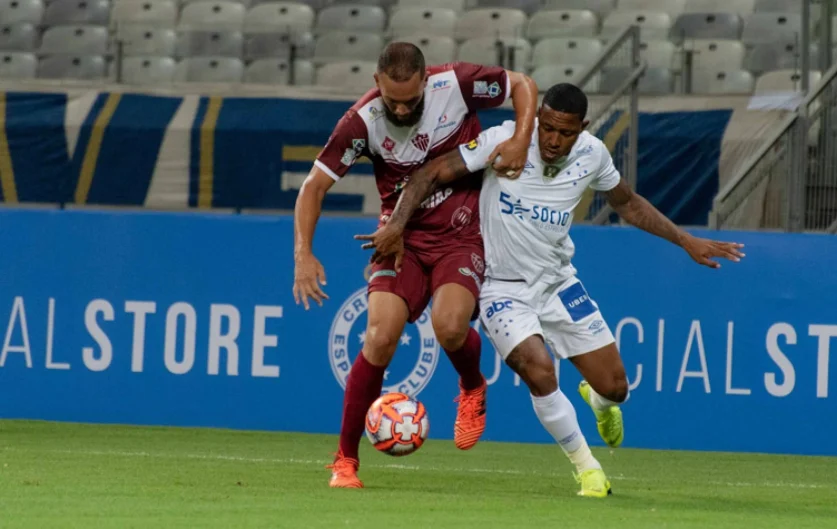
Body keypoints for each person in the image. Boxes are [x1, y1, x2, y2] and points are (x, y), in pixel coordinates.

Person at [356, 83, 745, 497]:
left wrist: (686, 241)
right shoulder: (503, 141)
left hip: (559, 283)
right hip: (501, 288)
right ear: (538, 118)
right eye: (548, 128)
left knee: (615, 388)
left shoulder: (593, 153)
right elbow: (431, 172)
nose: (554, 140)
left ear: (584, 128)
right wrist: (396, 224)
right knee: (539, 370)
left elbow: (627, 202)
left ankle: (598, 403)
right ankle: (588, 469)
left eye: (566, 132)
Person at [292, 42, 539, 489]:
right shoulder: (361, 122)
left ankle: (471, 385)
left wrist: (520, 139)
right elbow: (313, 187)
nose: (403, 109)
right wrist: (303, 254)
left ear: (426, 80)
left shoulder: (458, 84)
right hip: (398, 237)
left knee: (449, 326)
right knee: (380, 336)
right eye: (393, 100)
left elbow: (523, 84)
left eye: (412, 99)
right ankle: (345, 460)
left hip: (462, 234)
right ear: (376, 84)